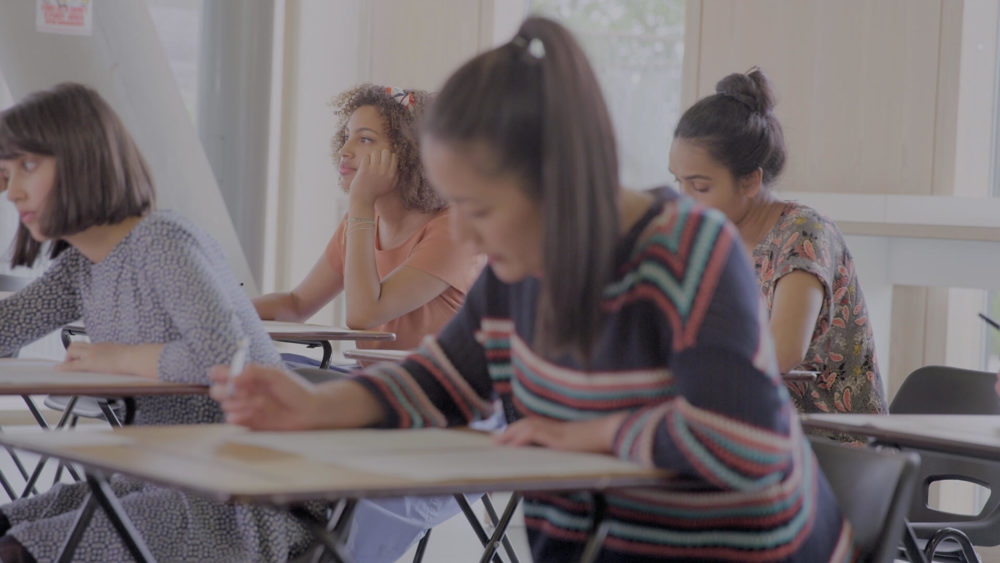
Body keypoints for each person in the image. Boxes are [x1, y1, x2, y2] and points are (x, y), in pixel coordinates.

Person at [212, 17, 855, 563]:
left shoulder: (688, 252)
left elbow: (739, 440)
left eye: (477, 205)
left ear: (559, 182)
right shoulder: (514, 273)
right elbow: (439, 383)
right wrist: (313, 408)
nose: (461, 229)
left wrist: (597, 433)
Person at [0, 82, 316, 562]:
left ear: (83, 157)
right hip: (154, 480)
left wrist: (117, 358)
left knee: (19, 552)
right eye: (5, 174)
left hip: (236, 498)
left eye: (28, 165)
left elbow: (222, 356)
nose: (12, 191)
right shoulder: (83, 265)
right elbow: (7, 329)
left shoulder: (160, 241)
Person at [669, 67, 887, 416]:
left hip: (833, 446)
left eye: (700, 187)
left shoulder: (804, 233)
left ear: (750, 181)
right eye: (678, 182)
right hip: (753, 425)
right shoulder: (714, 239)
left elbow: (782, 353)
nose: (684, 200)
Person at [253, 84, 482, 357]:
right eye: (347, 136)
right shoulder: (362, 220)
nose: (344, 150)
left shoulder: (454, 230)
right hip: (378, 384)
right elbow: (297, 304)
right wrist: (225, 307)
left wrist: (361, 203)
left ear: (410, 152)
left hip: (436, 392)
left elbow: (364, 314)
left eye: (364, 140)